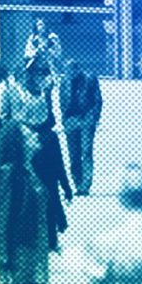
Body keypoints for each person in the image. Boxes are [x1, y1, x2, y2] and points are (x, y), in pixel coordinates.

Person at [0, 120, 53, 284]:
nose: (36, 137)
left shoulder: (30, 171)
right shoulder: (10, 173)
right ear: (18, 142)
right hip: (18, 252)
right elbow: (1, 217)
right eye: (30, 135)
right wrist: (4, 258)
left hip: (30, 250)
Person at [4, 66, 72, 251]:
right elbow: (60, 165)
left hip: (26, 179)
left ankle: (31, 241)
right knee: (49, 206)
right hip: (49, 180)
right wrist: (66, 186)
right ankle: (51, 241)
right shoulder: (51, 137)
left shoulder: (18, 136)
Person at [59, 60, 102, 196]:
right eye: (67, 72)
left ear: (78, 70)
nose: (70, 74)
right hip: (71, 120)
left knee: (86, 151)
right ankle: (77, 184)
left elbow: (98, 100)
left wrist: (93, 117)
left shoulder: (89, 78)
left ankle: (85, 186)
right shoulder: (64, 81)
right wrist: (65, 120)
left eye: (72, 71)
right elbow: (62, 101)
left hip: (86, 119)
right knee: (73, 154)